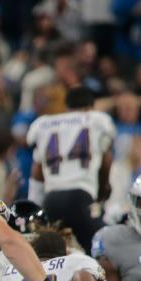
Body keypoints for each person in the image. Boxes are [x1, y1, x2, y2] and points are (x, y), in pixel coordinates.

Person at [27, 86, 116, 250]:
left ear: (66, 107)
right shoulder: (97, 120)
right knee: (104, 249)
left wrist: (34, 210)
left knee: (53, 255)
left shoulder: (44, 124)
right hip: (80, 197)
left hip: (51, 200)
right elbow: (107, 159)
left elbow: (37, 171)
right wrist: (104, 188)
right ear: (91, 107)